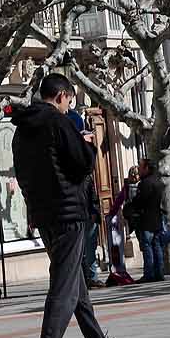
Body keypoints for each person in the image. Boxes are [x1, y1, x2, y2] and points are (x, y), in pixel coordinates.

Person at [11, 74, 121, 338]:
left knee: (74, 284)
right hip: (69, 214)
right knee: (64, 284)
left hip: (44, 215)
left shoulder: (20, 132)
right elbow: (81, 164)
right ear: (61, 96)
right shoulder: (59, 123)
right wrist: (88, 144)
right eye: (69, 100)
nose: (69, 105)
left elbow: (22, 176)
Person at [67, 108, 108, 289]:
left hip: (85, 213)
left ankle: (89, 276)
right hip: (80, 213)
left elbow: (91, 194)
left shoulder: (86, 176)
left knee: (88, 248)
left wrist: (94, 210)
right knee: (83, 249)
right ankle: (86, 277)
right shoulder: (79, 174)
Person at [126, 159, 166, 282]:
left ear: (147, 168)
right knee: (157, 246)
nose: (139, 169)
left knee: (147, 247)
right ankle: (159, 273)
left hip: (146, 220)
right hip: (157, 219)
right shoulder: (158, 182)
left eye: (141, 167)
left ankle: (149, 274)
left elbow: (139, 201)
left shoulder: (145, 184)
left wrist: (130, 207)